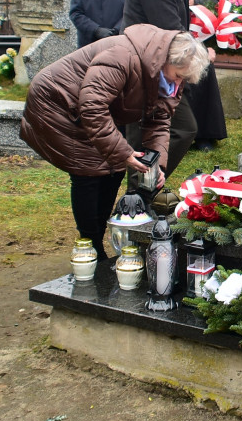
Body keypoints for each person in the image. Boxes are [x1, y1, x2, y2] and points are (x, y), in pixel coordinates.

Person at [20, 26, 209, 261]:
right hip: (58, 104)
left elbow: (159, 120)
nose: (179, 84)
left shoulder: (166, 76)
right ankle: (90, 247)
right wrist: (123, 152)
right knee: (89, 172)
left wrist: (157, 165)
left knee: (114, 169)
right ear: (166, 60)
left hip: (92, 110)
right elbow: (92, 106)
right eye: (179, 76)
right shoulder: (122, 55)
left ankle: (98, 237)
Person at [122, 0, 215, 177]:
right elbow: (169, 26)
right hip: (147, 67)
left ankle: (145, 191)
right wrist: (201, 54)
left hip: (159, 66)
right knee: (162, 132)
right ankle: (139, 197)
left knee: (162, 131)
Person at [184, 0, 228, 152]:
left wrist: (196, 1)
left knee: (202, 86)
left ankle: (205, 136)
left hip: (200, 38)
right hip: (176, 34)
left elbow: (221, 2)